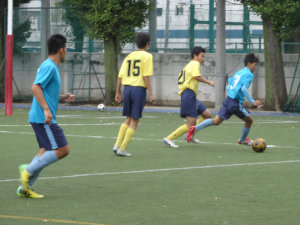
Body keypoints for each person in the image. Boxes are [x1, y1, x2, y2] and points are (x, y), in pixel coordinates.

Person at [17, 34, 75, 198]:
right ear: (61, 50)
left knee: (45, 151)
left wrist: (63, 97)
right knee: (63, 149)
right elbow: (35, 88)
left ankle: (24, 188)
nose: (66, 52)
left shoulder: (49, 66)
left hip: (39, 117)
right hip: (43, 118)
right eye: (66, 49)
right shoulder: (50, 67)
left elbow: (45, 91)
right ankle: (27, 171)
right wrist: (46, 110)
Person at [186, 53, 261, 145]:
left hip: (228, 100)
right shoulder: (249, 74)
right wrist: (253, 101)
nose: (255, 67)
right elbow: (243, 89)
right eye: (255, 65)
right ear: (249, 63)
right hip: (235, 103)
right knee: (249, 120)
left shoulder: (239, 72)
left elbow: (229, 83)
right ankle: (242, 140)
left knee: (216, 121)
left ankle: (193, 129)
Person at [112, 32, 155, 157]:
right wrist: (151, 93)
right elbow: (145, 76)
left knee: (128, 118)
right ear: (147, 44)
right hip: (138, 90)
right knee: (135, 120)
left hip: (127, 89)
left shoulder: (129, 56)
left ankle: (117, 144)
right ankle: (122, 148)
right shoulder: (147, 56)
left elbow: (120, 76)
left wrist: (117, 92)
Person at [163, 46, 215, 148]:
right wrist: (209, 82)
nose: (203, 59)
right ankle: (168, 139)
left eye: (204, 56)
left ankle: (190, 135)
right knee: (190, 123)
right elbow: (196, 77)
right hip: (188, 95)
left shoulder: (188, 65)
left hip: (190, 95)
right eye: (201, 56)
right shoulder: (195, 64)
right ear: (195, 56)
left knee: (207, 115)